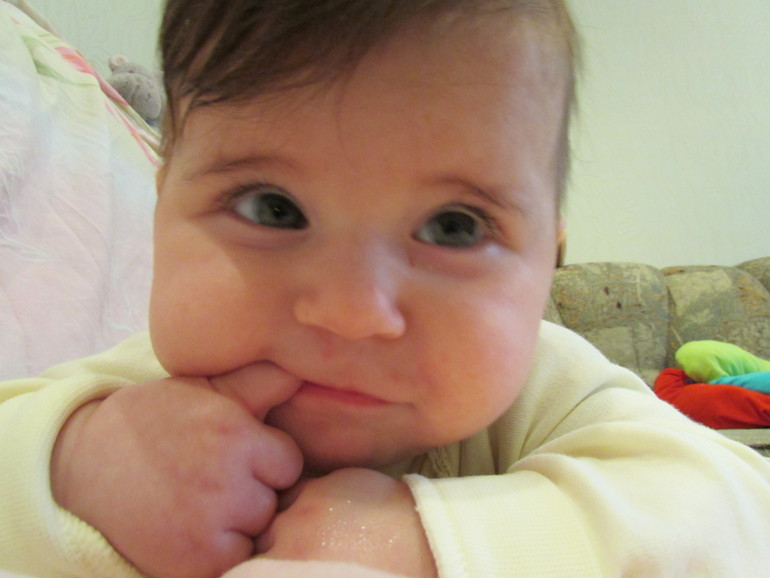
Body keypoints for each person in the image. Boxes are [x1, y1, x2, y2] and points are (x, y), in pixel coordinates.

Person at [3, 0, 770, 577]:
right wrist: (74, 466)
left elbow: (739, 513)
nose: (351, 312)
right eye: (273, 209)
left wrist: (432, 545)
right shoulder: (135, 403)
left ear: (549, 265)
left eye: (453, 227)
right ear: (163, 201)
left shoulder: (546, 391)